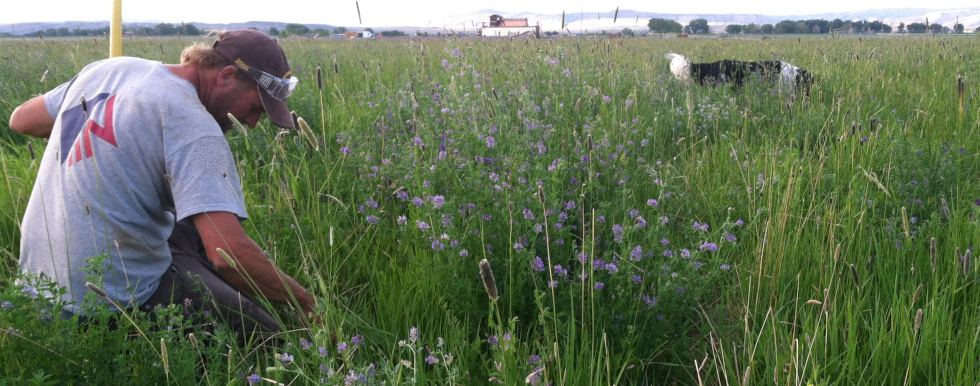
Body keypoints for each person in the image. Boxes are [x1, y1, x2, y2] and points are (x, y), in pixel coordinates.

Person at [8, 29, 318, 339]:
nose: (251, 124)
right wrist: (304, 301)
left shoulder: (111, 69)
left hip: (37, 287)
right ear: (225, 76)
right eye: (254, 109)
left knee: (189, 226)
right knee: (266, 339)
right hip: (105, 305)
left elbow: (21, 119)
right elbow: (227, 254)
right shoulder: (197, 130)